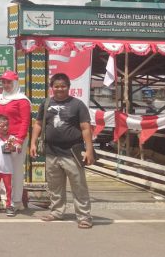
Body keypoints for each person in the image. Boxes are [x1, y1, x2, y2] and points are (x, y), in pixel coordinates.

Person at [30, 73, 94, 229]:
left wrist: (89, 150)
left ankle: (84, 216)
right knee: (54, 186)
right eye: (56, 86)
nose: (60, 89)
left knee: (78, 185)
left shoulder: (78, 105)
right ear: (52, 88)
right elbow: (38, 124)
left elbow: (85, 128)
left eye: (63, 86)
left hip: (72, 152)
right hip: (51, 152)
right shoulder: (45, 104)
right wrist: (32, 143)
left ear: (68, 87)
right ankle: (57, 211)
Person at [0, 70, 31, 211]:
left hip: (15, 138)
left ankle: (16, 201)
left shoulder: (22, 100)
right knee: (3, 169)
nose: (6, 85)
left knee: (15, 170)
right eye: (4, 82)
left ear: (15, 83)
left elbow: (25, 121)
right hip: (1, 139)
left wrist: (19, 140)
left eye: (9, 82)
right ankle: (4, 199)